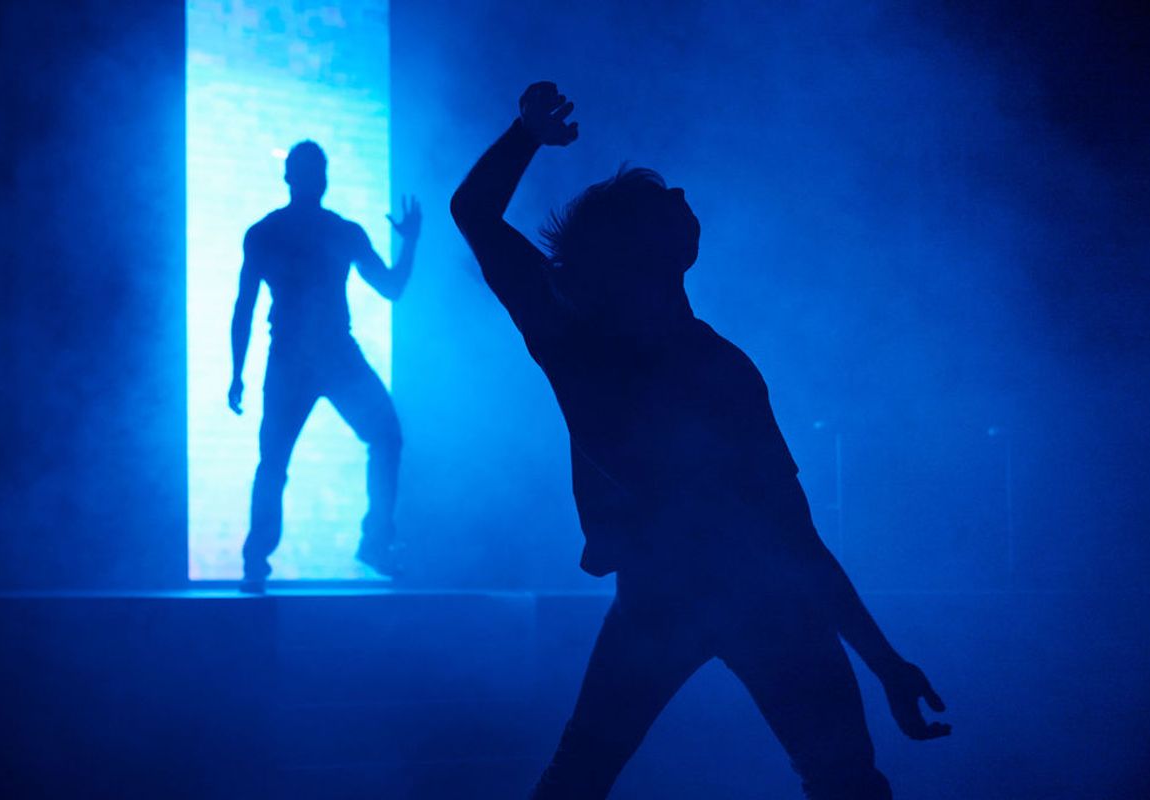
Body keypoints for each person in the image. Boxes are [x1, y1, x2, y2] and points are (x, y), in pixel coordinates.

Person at [451, 82, 949, 799]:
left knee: (579, 778)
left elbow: (473, 212)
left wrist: (526, 134)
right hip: (756, 599)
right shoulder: (696, 362)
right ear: (641, 249)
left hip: (667, 597)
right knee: (843, 783)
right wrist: (884, 662)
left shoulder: (582, 339)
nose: (682, 192)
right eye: (662, 201)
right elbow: (795, 535)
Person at [229, 141, 421, 590]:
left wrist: (237, 373)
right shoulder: (333, 232)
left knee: (276, 462)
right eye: (316, 172)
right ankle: (370, 542)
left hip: (309, 358)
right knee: (371, 440)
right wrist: (409, 241)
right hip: (325, 356)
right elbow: (391, 287)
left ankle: (258, 562)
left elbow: (245, 308)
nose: (318, 180)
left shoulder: (270, 232)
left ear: (290, 178)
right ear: (314, 179)